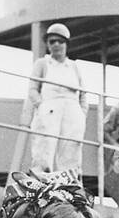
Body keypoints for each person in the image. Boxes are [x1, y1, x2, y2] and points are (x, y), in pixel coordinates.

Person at [20, 23, 87, 175]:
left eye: (60, 41)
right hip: (49, 110)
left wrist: (81, 114)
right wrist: (41, 106)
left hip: (73, 113)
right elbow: (32, 89)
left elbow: (83, 94)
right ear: (48, 45)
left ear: (66, 44)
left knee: (71, 151)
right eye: (52, 41)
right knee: (44, 148)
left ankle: (70, 186)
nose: (56, 44)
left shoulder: (74, 67)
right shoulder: (42, 64)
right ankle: (41, 183)